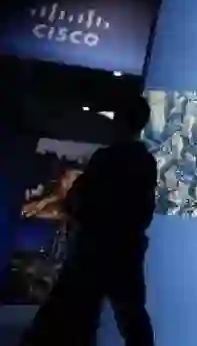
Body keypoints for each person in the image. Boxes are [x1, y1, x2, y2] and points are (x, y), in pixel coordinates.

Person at [20, 95, 158, 346]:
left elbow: (79, 198)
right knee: (132, 318)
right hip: (126, 250)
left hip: (93, 250)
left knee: (73, 311)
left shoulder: (105, 159)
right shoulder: (145, 161)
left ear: (120, 121)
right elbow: (143, 210)